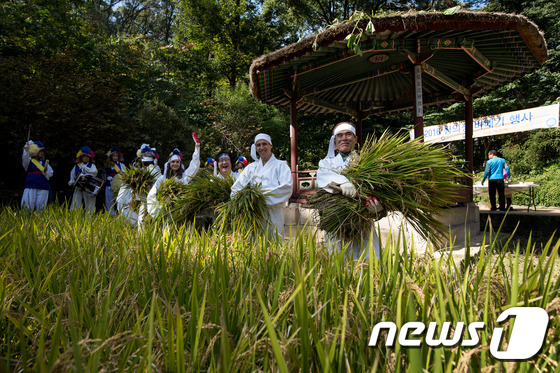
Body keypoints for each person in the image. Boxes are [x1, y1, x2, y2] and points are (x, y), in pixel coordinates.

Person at [317, 122, 383, 261]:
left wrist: (379, 208)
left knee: (369, 263)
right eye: (339, 135)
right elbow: (324, 177)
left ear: (356, 139)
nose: (344, 138)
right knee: (338, 264)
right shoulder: (326, 163)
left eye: (348, 134)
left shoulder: (367, 163)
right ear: (335, 141)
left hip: (363, 223)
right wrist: (343, 182)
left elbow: (378, 189)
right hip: (336, 223)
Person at [230, 133, 292, 238]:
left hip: (274, 212)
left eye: (264, 144)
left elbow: (286, 188)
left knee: (274, 244)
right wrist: (241, 201)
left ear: (270, 145)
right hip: (254, 212)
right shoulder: (251, 168)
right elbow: (237, 187)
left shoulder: (281, 165)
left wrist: (259, 198)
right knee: (254, 244)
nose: (261, 148)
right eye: (258, 145)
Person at [147, 137, 201, 218]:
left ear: (180, 163)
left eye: (177, 162)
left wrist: (197, 147)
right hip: (165, 211)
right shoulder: (162, 179)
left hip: (180, 211)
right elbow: (152, 194)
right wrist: (157, 211)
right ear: (169, 163)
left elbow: (194, 165)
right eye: (173, 162)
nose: (175, 164)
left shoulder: (184, 177)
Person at [21, 140, 54, 211]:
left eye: (42, 151)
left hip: (43, 186)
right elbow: (25, 158)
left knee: (41, 207)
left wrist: (45, 173)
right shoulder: (28, 162)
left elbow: (50, 173)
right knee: (27, 205)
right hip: (31, 185)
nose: (42, 153)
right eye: (40, 151)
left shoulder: (44, 163)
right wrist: (26, 150)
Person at [68, 146, 98, 213]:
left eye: (87, 157)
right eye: (84, 157)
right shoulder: (77, 166)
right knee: (76, 200)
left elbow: (94, 173)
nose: (85, 158)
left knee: (89, 202)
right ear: (81, 157)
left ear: (89, 158)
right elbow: (72, 174)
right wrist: (72, 181)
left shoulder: (92, 166)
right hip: (78, 186)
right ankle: (75, 214)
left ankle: (89, 215)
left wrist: (86, 170)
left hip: (88, 187)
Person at [104, 146, 126, 216]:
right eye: (114, 156)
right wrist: (107, 177)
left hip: (118, 184)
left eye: (116, 156)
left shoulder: (121, 165)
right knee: (109, 200)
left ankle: (120, 214)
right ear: (111, 156)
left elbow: (124, 174)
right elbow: (104, 174)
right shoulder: (108, 165)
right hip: (109, 184)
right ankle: (110, 214)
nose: (115, 157)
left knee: (119, 200)